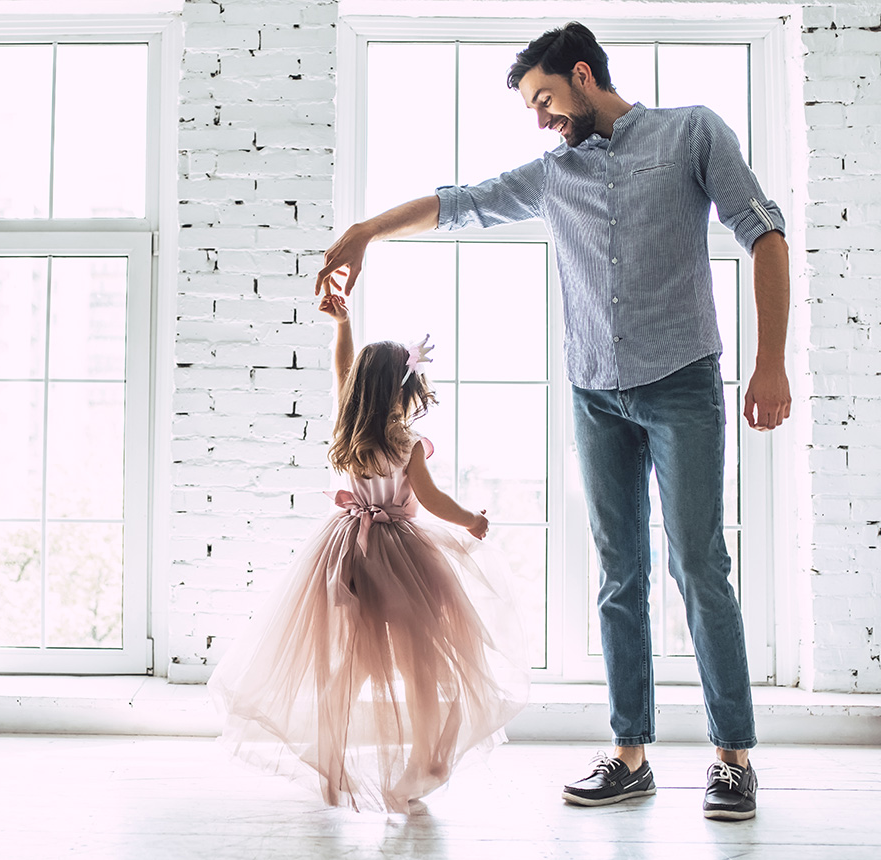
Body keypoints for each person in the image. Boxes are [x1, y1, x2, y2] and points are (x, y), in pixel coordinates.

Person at [315, 22, 791, 822]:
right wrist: (365, 233)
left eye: (544, 100)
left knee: (700, 565)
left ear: (581, 74)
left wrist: (770, 360)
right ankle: (630, 755)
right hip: (595, 393)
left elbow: (765, 232)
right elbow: (459, 205)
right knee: (618, 573)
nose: (541, 120)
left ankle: (732, 759)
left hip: (682, 384)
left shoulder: (691, 134)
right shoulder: (554, 174)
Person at [208, 292, 528, 814]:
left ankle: (329, 756)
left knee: (349, 662)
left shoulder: (347, 428)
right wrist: (472, 520)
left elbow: (340, 370)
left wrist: (343, 326)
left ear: (360, 388)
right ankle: (427, 760)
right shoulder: (406, 442)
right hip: (401, 560)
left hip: (347, 551)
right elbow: (429, 499)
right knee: (422, 662)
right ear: (403, 389)